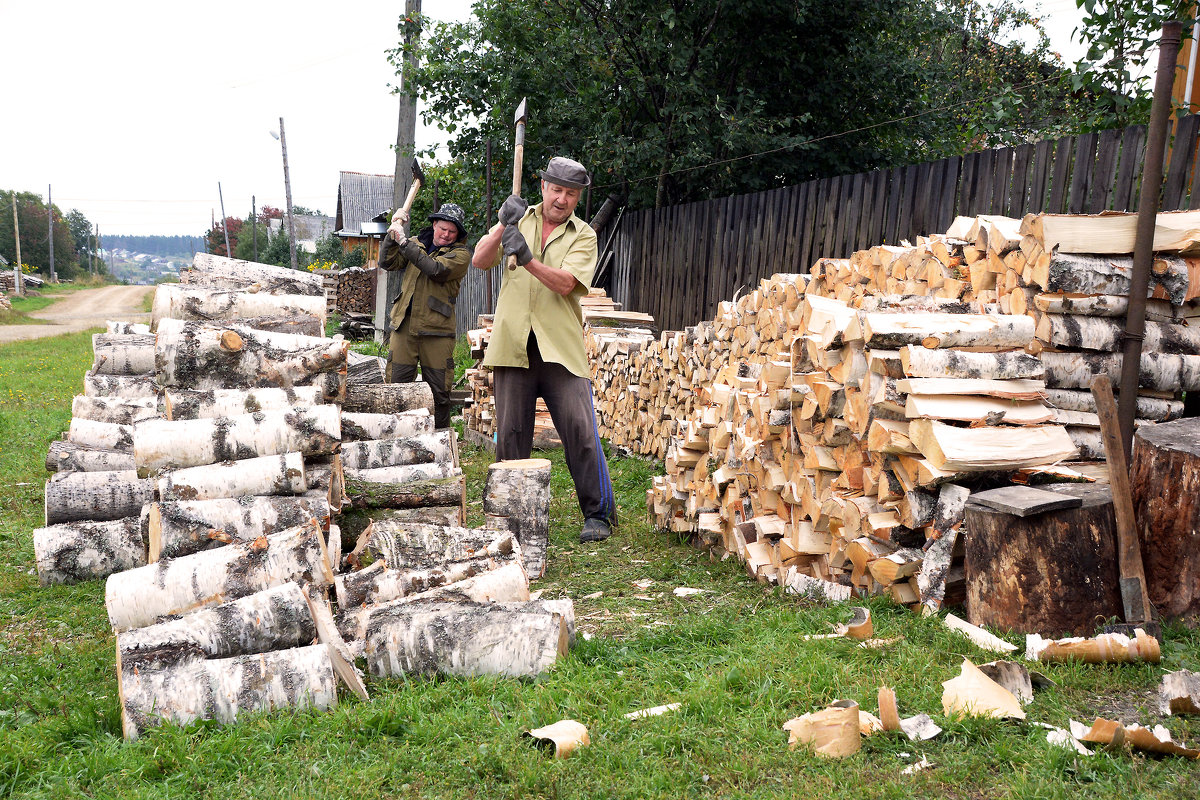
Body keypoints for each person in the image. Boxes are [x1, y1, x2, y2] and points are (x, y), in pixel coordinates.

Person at [471, 156, 617, 542]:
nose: (562, 199)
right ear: (543, 186)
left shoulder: (584, 235)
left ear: (578, 197)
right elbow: (480, 260)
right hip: (513, 342)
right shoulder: (519, 216)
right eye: (557, 190)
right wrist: (504, 223)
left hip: (559, 347)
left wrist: (530, 259)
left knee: (580, 431)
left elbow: (567, 284)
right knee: (512, 435)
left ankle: (598, 514)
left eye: (571, 194)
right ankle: (509, 518)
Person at [380, 202, 472, 429]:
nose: (446, 235)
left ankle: (441, 442)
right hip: (404, 327)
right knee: (397, 389)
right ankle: (396, 440)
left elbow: (435, 269)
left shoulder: (460, 255)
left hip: (437, 332)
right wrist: (392, 235)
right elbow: (387, 261)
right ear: (434, 225)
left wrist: (403, 241)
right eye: (443, 229)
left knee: (439, 394)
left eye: (452, 232)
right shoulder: (414, 244)